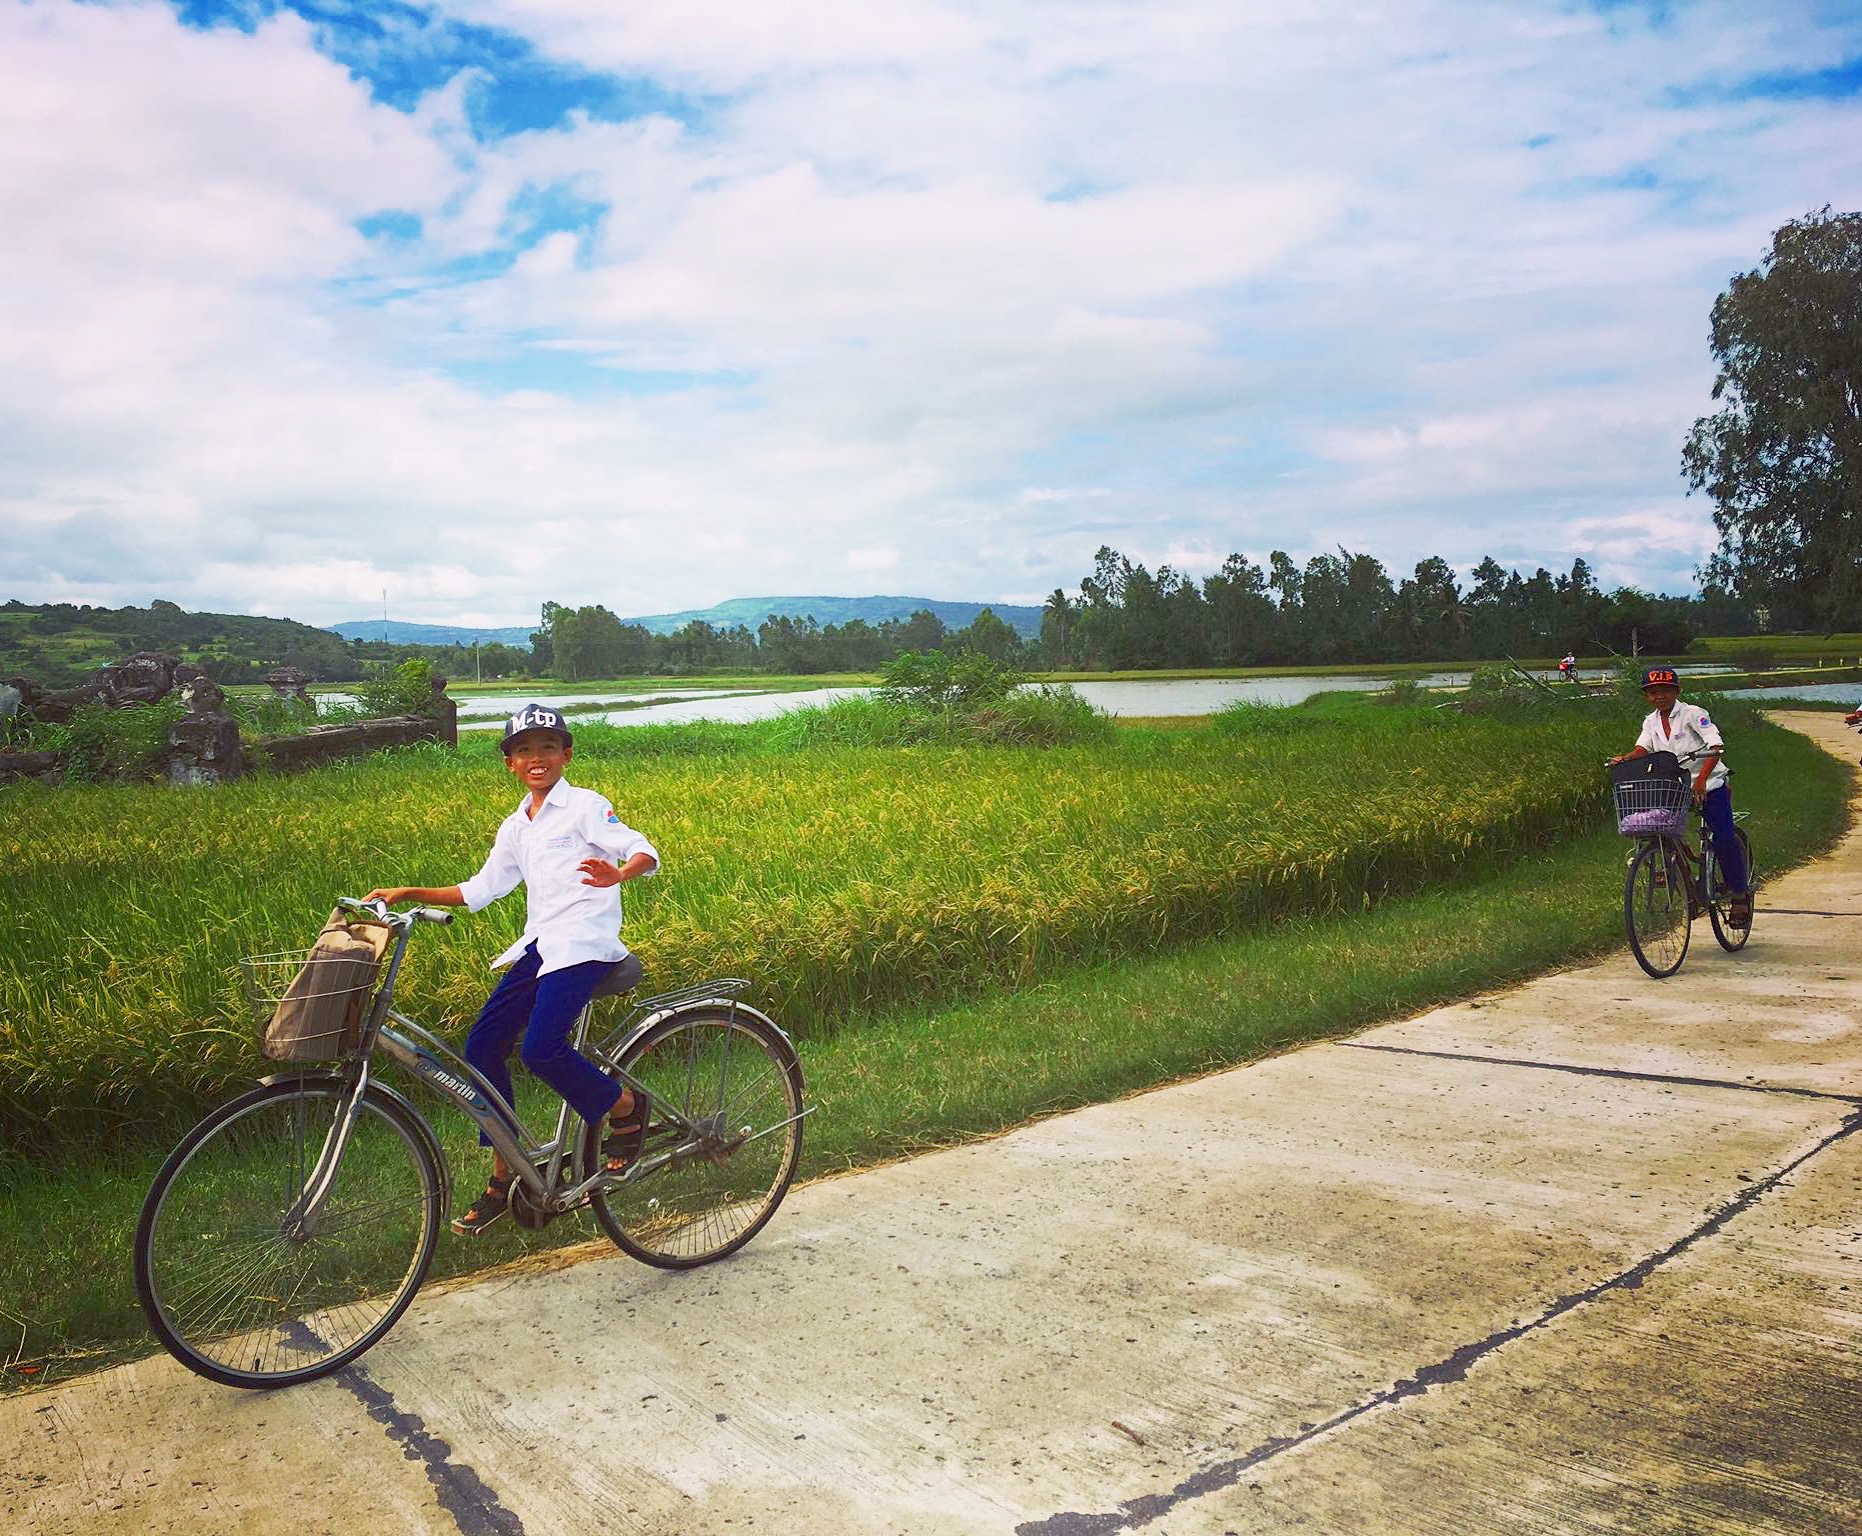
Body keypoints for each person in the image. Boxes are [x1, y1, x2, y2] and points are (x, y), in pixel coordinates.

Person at [366, 703, 659, 1235]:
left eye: (548, 747)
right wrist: (408, 892)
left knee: (541, 1049)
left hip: (585, 943)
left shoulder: (586, 806)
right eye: (524, 750)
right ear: (511, 764)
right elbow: (481, 889)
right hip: (541, 945)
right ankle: (507, 1173)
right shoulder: (516, 825)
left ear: (566, 754)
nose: (537, 757)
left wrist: (619, 873)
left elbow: (640, 848)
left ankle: (625, 1106)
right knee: (481, 1048)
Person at [1610, 666, 1750, 925]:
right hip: (1675, 788)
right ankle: (1666, 864)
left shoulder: (1693, 714)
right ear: (1646, 696)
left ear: (1676, 691)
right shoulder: (1650, 721)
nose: (1659, 696)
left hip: (1708, 785)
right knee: (1657, 824)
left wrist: (1704, 779)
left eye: (1665, 690)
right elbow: (1643, 748)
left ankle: (1739, 894)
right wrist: (1625, 759)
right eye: (1652, 692)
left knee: (1723, 836)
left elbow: (1715, 746)